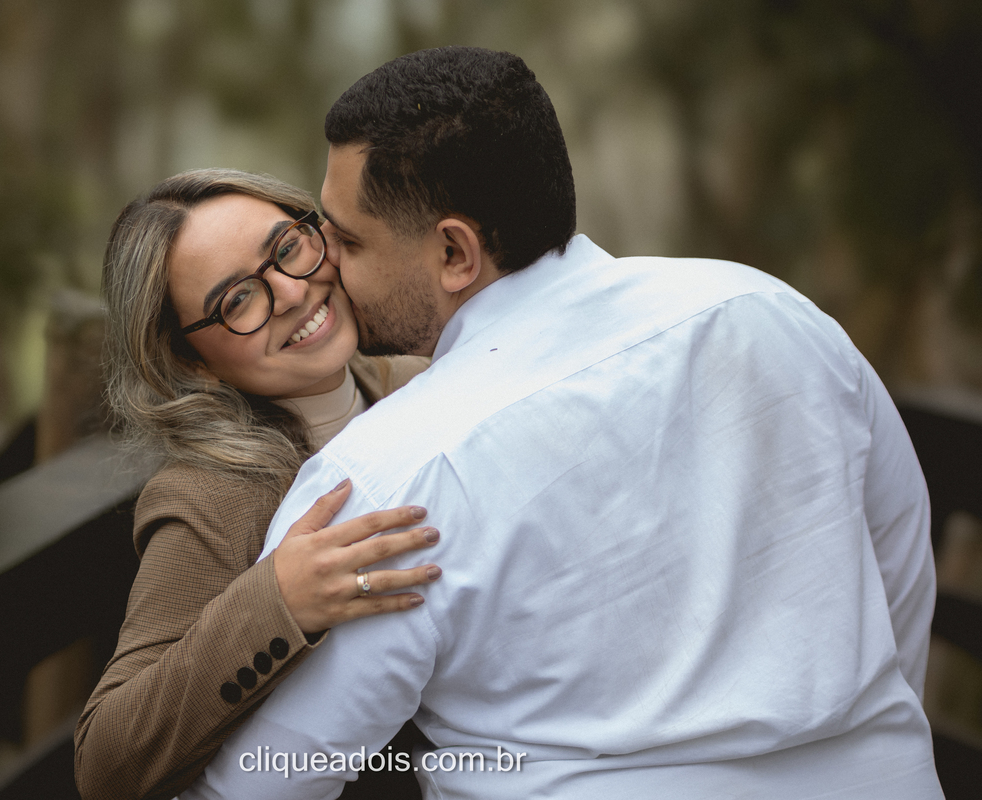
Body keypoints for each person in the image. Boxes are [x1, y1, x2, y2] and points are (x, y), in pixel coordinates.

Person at [180, 47, 942, 799]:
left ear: (454, 252)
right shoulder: (770, 311)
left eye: (347, 241)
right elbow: (900, 573)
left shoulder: (385, 481)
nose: (328, 269)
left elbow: (265, 781)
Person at [73, 169, 439, 800]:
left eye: (287, 248)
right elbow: (105, 764)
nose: (292, 293)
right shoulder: (211, 496)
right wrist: (278, 601)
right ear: (191, 363)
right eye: (237, 299)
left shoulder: (409, 384)